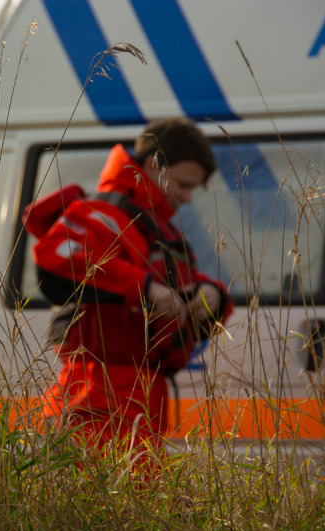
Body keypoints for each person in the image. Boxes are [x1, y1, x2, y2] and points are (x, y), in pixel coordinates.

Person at [24, 118, 233, 453]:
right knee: (112, 496)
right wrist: (147, 288)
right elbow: (56, 256)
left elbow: (179, 284)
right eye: (182, 184)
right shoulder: (100, 212)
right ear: (153, 165)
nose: (188, 197)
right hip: (99, 391)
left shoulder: (156, 228)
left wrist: (211, 295)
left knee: (139, 496)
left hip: (143, 392)